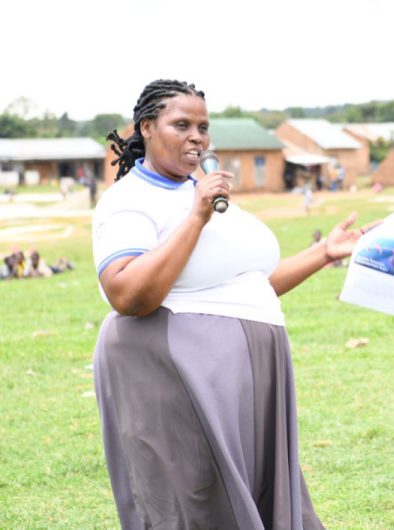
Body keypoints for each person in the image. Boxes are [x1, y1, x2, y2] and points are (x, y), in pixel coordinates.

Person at [92, 79, 374, 529]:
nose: (196, 137)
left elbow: (249, 284)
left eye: (203, 126)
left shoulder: (197, 192)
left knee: (252, 497)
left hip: (245, 374)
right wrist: (198, 216)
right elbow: (126, 293)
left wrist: (324, 253)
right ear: (145, 127)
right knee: (201, 502)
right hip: (184, 375)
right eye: (181, 124)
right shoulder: (130, 201)